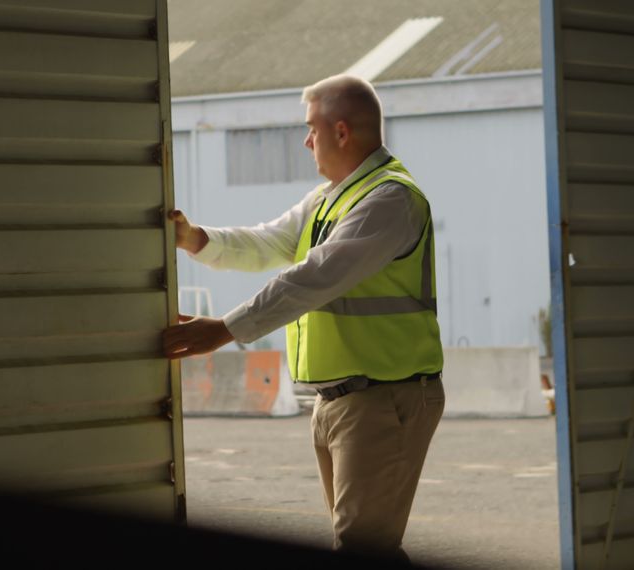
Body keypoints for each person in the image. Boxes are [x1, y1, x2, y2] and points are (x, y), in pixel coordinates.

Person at [162, 74, 445, 561]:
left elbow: (315, 277)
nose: (306, 140)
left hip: (383, 397)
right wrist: (196, 239)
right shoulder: (329, 198)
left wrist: (225, 329)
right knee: (362, 545)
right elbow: (267, 241)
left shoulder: (389, 200)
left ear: (341, 132)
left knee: (362, 546)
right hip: (340, 400)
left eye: (312, 128)